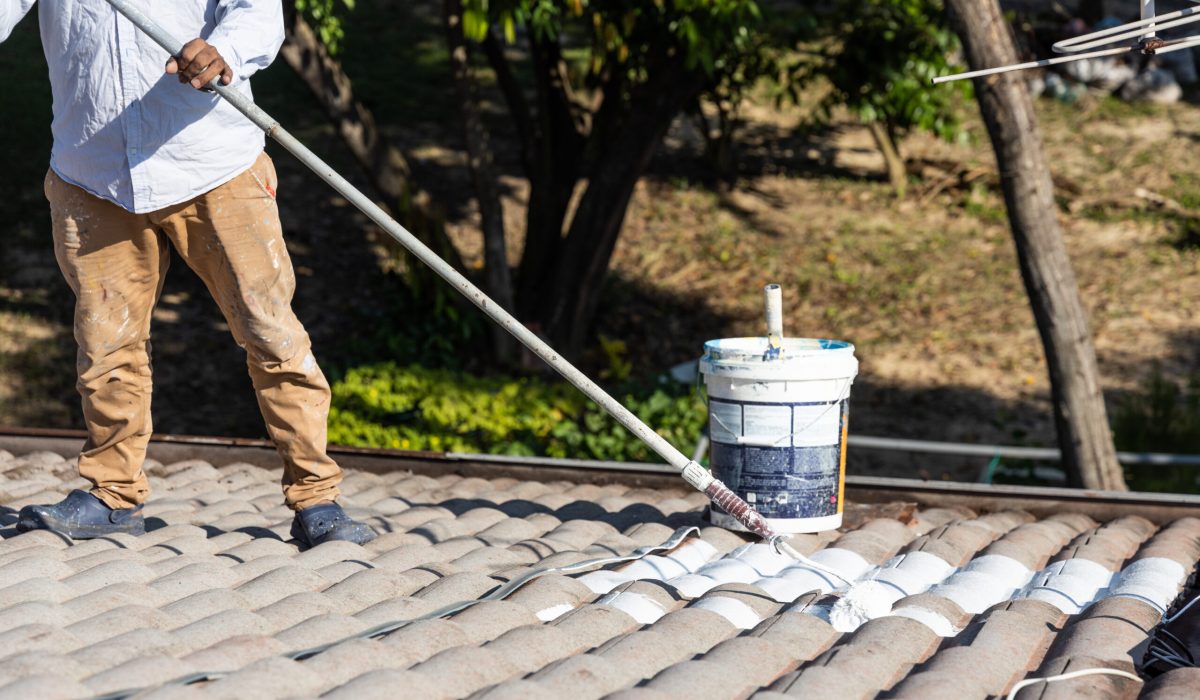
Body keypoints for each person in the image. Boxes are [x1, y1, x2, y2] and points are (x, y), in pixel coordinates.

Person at [0, 0, 376, 546]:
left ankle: (317, 496)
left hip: (211, 162)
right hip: (91, 168)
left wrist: (224, 50)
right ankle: (112, 494)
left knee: (269, 331)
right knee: (105, 343)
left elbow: (257, 11)